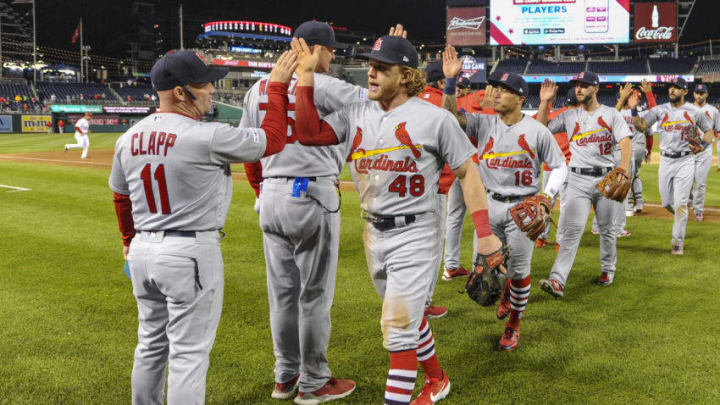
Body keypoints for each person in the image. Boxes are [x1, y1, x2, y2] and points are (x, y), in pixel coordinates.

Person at [293, 35, 505, 405]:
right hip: (372, 230)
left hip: (418, 230)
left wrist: (484, 235)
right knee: (409, 317)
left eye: (380, 69)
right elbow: (309, 133)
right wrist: (306, 78)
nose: (370, 74)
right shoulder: (355, 113)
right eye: (370, 66)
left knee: (397, 330)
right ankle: (437, 379)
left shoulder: (435, 118)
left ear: (406, 76)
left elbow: (469, 173)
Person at [108, 49, 297, 405]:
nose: (212, 89)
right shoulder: (206, 135)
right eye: (205, 83)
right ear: (180, 92)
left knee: (150, 344)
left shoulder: (127, 137)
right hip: (189, 252)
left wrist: (127, 241)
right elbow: (273, 139)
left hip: (144, 251)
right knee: (188, 355)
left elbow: (120, 197)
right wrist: (277, 88)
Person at [239, 20, 368, 403]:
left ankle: (285, 376)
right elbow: (383, 101)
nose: (332, 57)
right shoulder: (328, 85)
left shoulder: (257, 89)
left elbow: (250, 152)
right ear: (314, 50)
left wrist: (261, 190)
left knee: (281, 296)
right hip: (311, 193)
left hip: (272, 194)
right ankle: (313, 382)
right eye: (330, 50)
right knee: (312, 297)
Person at [442, 45, 567, 351]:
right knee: (487, 269)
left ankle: (514, 324)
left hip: (522, 209)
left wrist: (547, 196)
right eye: (495, 88)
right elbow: (449, 118)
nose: (496, 93)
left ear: (521, 98)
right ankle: (504, 293)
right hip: (487, 205)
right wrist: (449, 83)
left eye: (505, 89)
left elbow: (561, 166)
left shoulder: (536, 131)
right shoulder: (484, 123)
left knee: (520, 272)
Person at [536, 72, 632, 297]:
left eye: (585, 85)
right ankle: (557, 280)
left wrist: (623, 170)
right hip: (577, 178)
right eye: (577, 85)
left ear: (596, 89)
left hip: (605, 178)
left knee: (608, 230)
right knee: (571, 231)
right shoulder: (570, 116)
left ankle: (608, 269)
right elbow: (541, 129)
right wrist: (544, 102)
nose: (579, 89)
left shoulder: (610, 114)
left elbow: (625, 142)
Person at [631, 77, 715, 254]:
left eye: (677, 88)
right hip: (666, 160)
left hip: (685, 160)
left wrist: (703, 146)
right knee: (667, 202)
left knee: (680, 205)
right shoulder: (659, 110)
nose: (672, 90)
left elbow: (709, 132)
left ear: (684, 92)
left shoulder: (694, 112)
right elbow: (640, 126)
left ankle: (677, 242)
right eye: (671, 87)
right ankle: (684, 205)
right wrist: (633, 110)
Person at [535, 87, 575, 250]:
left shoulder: (554, 116)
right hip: (568, 165)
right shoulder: (578, 118)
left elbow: (540, 131)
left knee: (546, 202)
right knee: (565, 205)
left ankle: (540, 237)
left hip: (550, 165)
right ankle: (561, 241)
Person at [689, 83, 717, 221]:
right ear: (693, 94)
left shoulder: (713, 111)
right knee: (686, 182)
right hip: (688, 150)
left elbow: (717, 131)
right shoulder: (686, 109)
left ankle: (698, 210)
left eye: (702, 93)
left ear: (706, 94)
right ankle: (689, 200)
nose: (699, 95)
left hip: (705, 150)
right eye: (697, 93)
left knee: (700, 183)